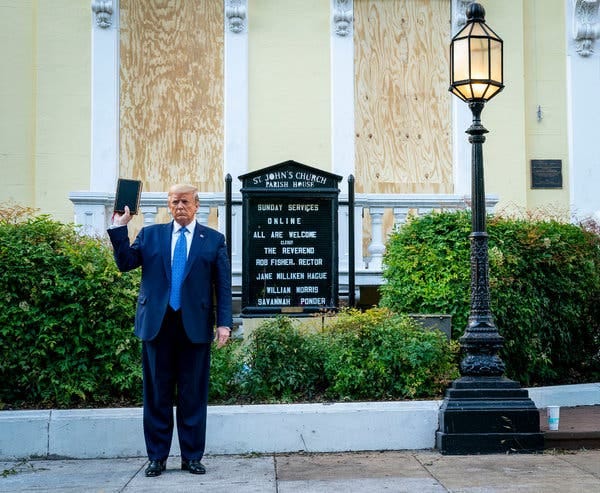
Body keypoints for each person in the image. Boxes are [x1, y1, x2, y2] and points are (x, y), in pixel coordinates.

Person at [108, 183, 232, 477]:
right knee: (157, 395)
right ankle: (157, 457)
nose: (180, 207)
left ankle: (192, 457)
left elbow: (223, 285)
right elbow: (125, 263)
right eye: (175, 202)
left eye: (185, 202)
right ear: (168, 205)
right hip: (157, 326)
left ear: (196, 205)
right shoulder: (151, 235)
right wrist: (120, 226)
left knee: (193, 395)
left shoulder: (213, 240)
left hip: (194, 327)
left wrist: (224, 323)